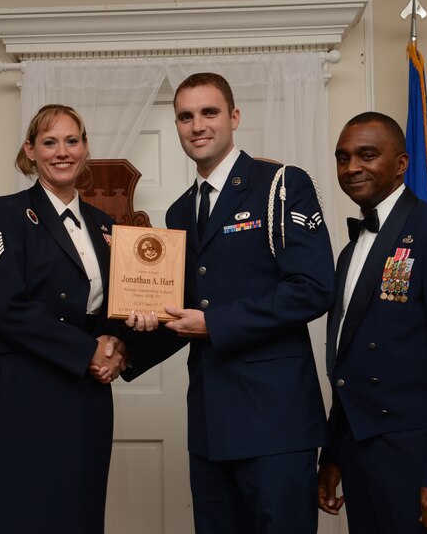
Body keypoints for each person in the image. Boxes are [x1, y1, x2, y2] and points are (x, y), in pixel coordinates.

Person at [125, 73, 335, 533]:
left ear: (234, 117)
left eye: (209, 112)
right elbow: (184, 308)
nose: (197, 125)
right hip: (209, 424)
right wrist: (124, 344)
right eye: (185, 116)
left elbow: (313, 287)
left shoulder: (280, 185)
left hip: (275, 420)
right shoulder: (180, 211)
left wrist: (214, 324)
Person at [317, 112, 427, 532]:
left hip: (421, 462)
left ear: (401, 163)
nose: (352, 167)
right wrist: (334, 456)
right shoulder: (348, 253)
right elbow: (348, 364)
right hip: (360, 457)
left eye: (367, 155)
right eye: (343, 158)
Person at [0, 104, 128, 534]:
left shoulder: (104, 225)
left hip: (86, 390)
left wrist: (116, 344)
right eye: (50, 142)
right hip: (24, 389)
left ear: (85, 148)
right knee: (22, 511)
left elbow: (114, 306)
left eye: (72, 141)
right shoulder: (5, 212)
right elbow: (3, 305)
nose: (63, 152)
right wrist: (87, 350)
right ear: (31, 151)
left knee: (78, 511)